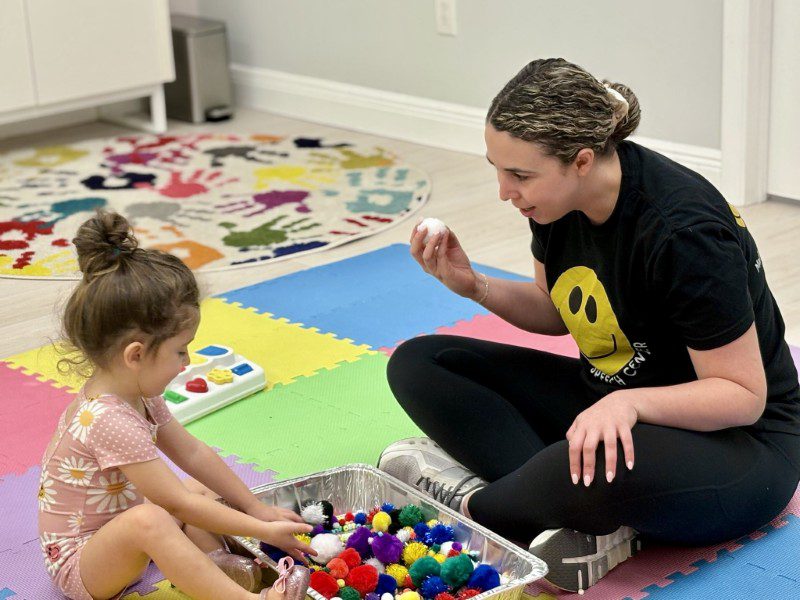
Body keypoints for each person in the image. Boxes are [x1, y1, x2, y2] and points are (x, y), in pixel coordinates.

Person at [378, 58, 800, 593]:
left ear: (580, 161)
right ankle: (568, 517)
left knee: (585, 466)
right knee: (421, 363)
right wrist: (472, 286)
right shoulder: (554, 207)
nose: (505, 191)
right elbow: (557, 312)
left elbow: (742, 396)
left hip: (742, 444)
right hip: (614, 403)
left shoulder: (685, 232)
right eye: (498, 169)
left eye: (521, 175)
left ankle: (474, 509)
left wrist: (628, 404)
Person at [38, 211, 314, 600]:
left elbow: (192, 452)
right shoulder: (106, 418)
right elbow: (175, 505)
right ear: (135, 354)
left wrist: (254, 507)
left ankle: (216, 566)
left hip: (117, 529)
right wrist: (264, 530)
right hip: (83, 565)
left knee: (199, 488)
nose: (186, 362)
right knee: (153, 517)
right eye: (180, 350)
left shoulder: (140, 394)